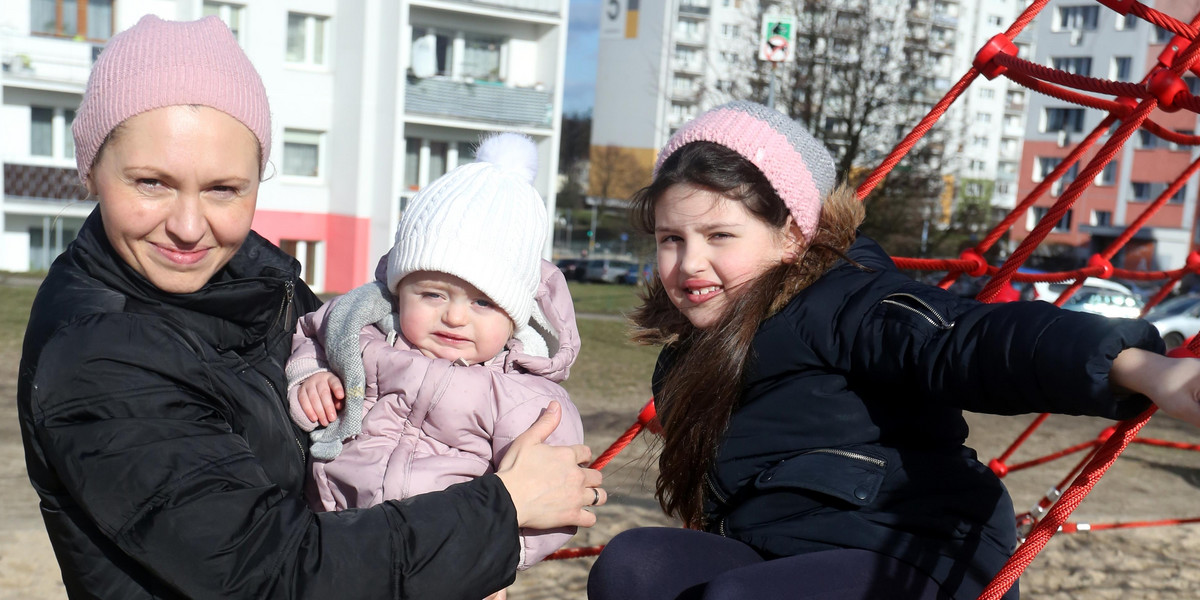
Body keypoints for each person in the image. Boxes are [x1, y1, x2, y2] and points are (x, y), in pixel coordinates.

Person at [17, 15, 603, 600]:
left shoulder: (256, 283)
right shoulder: (100, 359)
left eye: (224, 188)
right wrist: (499, 514)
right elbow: (270, 573)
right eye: (151, 182)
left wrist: (467, 560)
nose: (189, 227)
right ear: (91, 170)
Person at [585, 101, 1200, 600]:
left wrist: (1138, 366)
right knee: (633, 566)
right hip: (779, 553)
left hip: (918, 553)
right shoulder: (689, 358)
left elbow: (969, 339)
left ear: (793, 234)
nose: (690, 262)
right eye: (671, 238)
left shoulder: (849, 302)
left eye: (720, 235)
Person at [286, 133, 587, 575]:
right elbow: (311, 335)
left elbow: (556, 494)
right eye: (431, 294)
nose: (454, 317)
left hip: (442, 562)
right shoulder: (363, 333)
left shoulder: (521, 396)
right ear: (399, 289)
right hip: (332, 542)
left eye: (483, 302)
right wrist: (307, 376)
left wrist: (495, 561)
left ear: (516, 315)